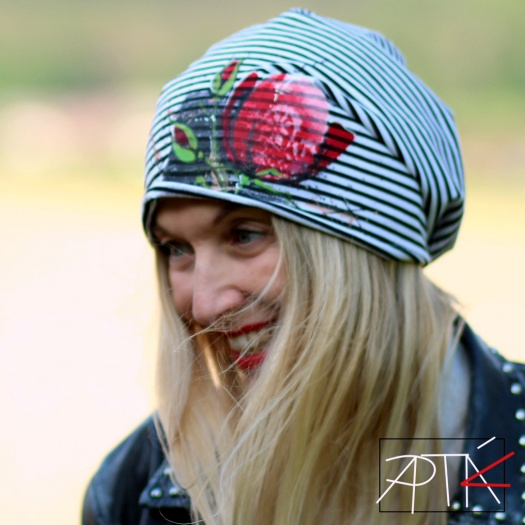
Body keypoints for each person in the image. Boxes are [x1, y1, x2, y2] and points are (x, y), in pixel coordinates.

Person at [82, 9, 525, 525]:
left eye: (244, 235)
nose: (203, 304)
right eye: (176, 248)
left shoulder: (483, 460)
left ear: (371, 242)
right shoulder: (133, 490)